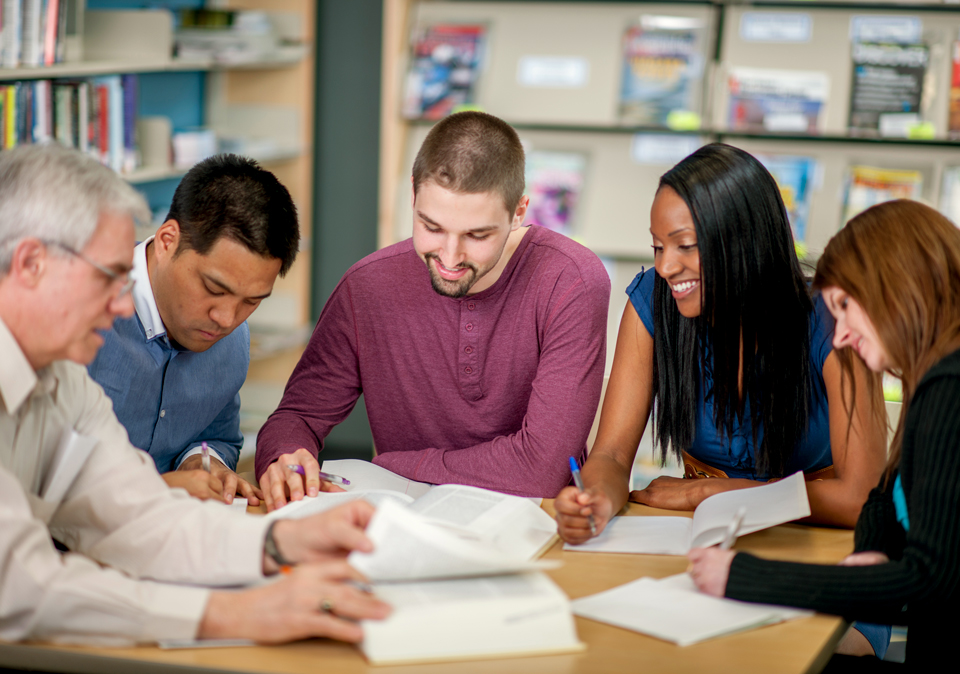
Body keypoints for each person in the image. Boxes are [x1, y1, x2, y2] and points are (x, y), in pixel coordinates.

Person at [0, 143, 389, 645]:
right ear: (31, 263)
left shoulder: (61, 378)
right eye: (110, 280)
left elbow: (135, 514)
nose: (124, 307)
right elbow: (20, 588)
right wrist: (234, 614)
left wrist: (280, 542)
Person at [554, 143, 888, 655]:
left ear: (742, 239)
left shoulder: (833, 319)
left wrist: (706, 494)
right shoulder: (651, 304)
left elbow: (860, 499)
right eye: (657, 247)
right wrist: (595, 498)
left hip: (828, 559)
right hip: (705, 553)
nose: (666, 266)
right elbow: (614, 455)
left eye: (684, 245)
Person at [254, 111, 611, 509]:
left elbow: (543, 470)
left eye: (477, 235)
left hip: (531, 526)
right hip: (405, 525)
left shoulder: (572, 281)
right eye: (432, 226)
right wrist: (285, 456)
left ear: (519, 212)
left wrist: (399, 465)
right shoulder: (368, 286)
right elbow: (296, 416)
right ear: (413, 194)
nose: (450, 257)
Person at [688, 199, 960, 671]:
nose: (840, 336)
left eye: (845, 308)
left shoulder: (949, 390)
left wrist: (749, 578)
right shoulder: (932, 376)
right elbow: (885, 497)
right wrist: (873, 552)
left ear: (896, 288)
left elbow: (930, 579)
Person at [87, 155, 299, 506]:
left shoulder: (231, 341)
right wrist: (159, 490)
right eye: (214, 289)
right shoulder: (80, 315)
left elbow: (216, 436)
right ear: (168, 239)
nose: (227, 319)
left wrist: (203, 463)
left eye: (252, 301)